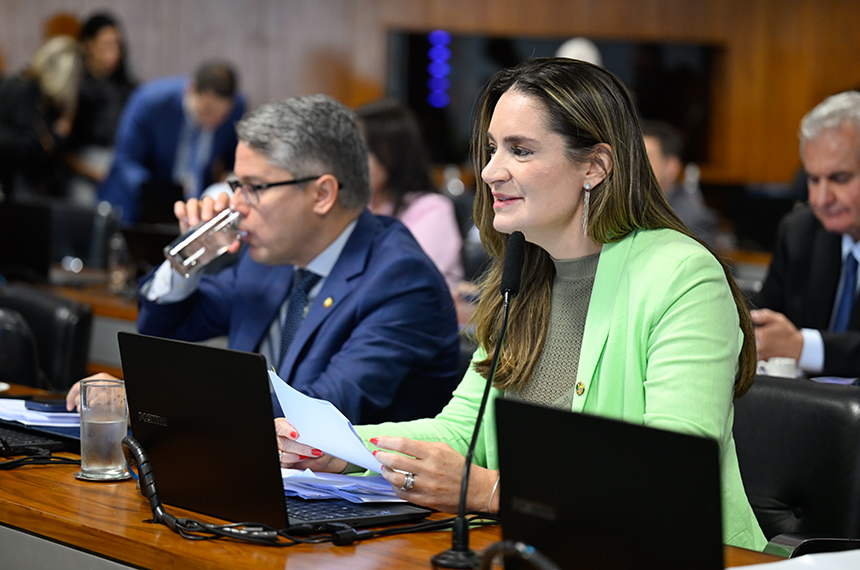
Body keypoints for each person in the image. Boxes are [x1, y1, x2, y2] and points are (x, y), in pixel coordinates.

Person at [274, 58, 766, 551]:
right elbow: (460, 429)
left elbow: (672, 476)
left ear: (595, 166)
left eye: (521, 150)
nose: (489, 171)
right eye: (491, 149)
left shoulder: (681, 275)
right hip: (545, 548)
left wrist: (491, 491)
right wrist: (341, 449)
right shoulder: (524, 274)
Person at [68, 94, 461, 425]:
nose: (236, 206)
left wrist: (143, 399)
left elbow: (315, 413)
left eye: (255, 188)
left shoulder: (401, 281)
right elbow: (163, 325)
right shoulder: (269, 256)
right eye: (237, 185)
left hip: (362, 508)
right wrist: (192, 252)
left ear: (322, 194)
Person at [751, 91, 860, 379]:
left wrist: (802, 347)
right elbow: (764, 318)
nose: (822, 199)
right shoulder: (800, 231)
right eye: (813, 179)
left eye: (839, 178)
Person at [98, 60, 245, 224]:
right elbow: (125, 160)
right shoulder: (150, 101)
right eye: (208, 111)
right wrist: (162, 193)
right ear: (192, 90)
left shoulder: (237, 106)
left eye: (222, 116)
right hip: (138, 202)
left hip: (197, 205)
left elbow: (234, 157)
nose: (214, 121)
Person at [355, 99, 464, 293]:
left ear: (392, 152)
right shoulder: (357, 206)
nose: (354, 162)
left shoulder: (432, 208)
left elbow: (404, 278)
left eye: (364, 150)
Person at [0, 35, 83, 202]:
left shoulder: (35, 93)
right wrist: (56, 136)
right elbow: (24, 144)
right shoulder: (23, 91)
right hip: (11, 182)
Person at [65, 12, 136, 206]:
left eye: (117, 46)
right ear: (88, 45)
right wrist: (93, 171)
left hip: (116, 162)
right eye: (107, 45)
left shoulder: (125, 88)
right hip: (80, 168)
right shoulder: (74, 86)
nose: (114, 53)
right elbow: (62, 146)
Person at [642, 119, 718, 246]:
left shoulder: (693, 220)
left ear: (671, 166)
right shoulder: (622, 209)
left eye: (645, 158)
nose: (634, 167)